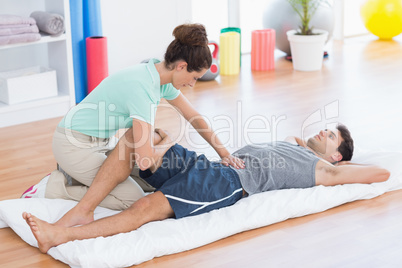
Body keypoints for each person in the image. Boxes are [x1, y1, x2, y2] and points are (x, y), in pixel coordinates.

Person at [23, 124, 391, 253]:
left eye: (331, 136)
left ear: (338, 156)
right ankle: (75, 191)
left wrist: (344, 166)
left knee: (147, 208)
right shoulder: (295, 146)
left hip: (224, 183)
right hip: (208, 164)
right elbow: (298, 139)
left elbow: (381, 175)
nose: (324, 132)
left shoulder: (323, 170)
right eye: (326, 128)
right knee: (137, 142)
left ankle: (60, 235)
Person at [24, 23, 245, 228]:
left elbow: (194, 117)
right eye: (194, 77)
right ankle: (56, 187)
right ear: (181, 66)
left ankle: (77, 175)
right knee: (133, 199)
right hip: (74, 145)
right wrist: (167, 140)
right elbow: (145, 159)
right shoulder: (144, 90)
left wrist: (224, 154)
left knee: (151, 184)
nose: (192, 84)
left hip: (102, 143)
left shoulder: (158, 77)